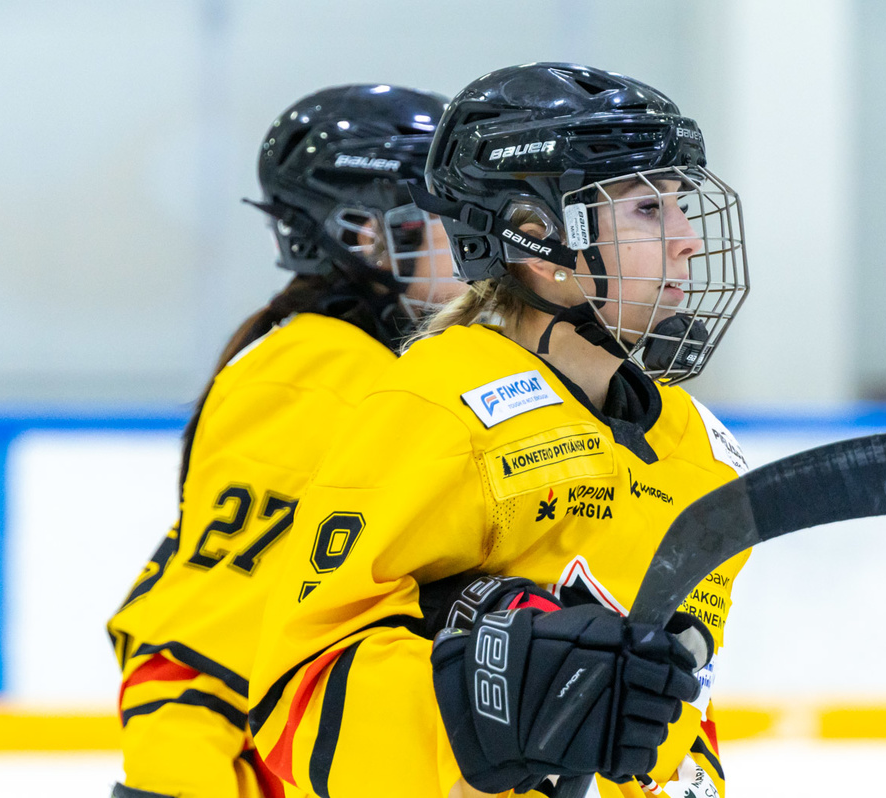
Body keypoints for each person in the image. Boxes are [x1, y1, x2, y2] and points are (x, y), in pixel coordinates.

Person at [248, 62, 753, 798]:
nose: (686, 241)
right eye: (648, 208)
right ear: (533, 235)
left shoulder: (702, 452)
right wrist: (481, 716)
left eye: (680, 206)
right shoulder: (438, 410)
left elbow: (677, 703)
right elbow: (301, 697)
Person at [107, 83, 461, 798]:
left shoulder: (352, 358)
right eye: (446, 215)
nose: (475, 242)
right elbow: (213, 622)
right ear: (367, 234)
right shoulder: (319, 373)